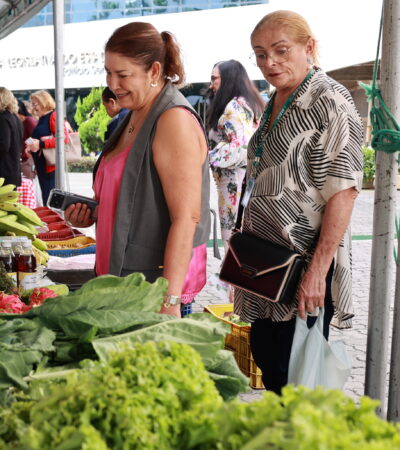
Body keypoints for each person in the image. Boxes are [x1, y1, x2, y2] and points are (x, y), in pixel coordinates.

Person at [237, 10, 362, 393]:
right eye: (259, 54)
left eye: (280, 50)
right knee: (267, 353)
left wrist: (316, 271)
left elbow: (343, 189)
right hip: (264, 257)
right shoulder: (278, 98)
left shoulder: (330, 100)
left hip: (304, 261)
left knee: (296, 374)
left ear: (309, 47)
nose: (269, 62)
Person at [64, 22, 210, 317]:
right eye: (108, 72)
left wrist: (168, 302)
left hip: (153, 293)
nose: (112, 84)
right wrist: (94, 212)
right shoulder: (134, 115)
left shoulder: (173, 121)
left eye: (122, 75)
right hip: (125, 284)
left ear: (154, 71)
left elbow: (188, 218)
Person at [205, 60, 264, 250]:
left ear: (228, 79)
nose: (211, 84)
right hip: (245, 182)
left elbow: (240, 147)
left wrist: (206, 156)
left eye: (214, 78)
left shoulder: (234, 107)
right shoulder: (247, 103)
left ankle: (234, 279)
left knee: (232, 240)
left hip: (234, 184)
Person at [26, 90, 59, 203]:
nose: (34, 108)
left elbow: (62, 139)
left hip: (49, 166)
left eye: (35, 104)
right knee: (46, 197)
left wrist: (40, 144)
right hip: (42, 165)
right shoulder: (42, 118)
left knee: (50, 199)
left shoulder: (53, 116)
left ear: (44, 102)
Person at [17, 99, 38, 181]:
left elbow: (34, 137)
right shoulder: (21, 121)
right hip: (23, 159)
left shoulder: (28, 120)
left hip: (28, 159)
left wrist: (27, 146)